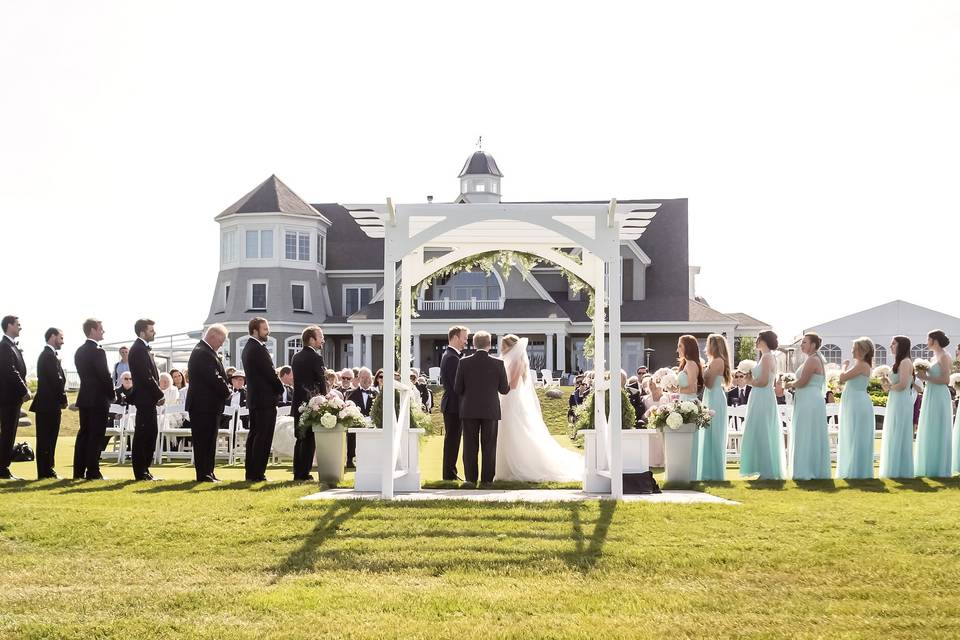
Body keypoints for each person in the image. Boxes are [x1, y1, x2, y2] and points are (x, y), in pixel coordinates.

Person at [493, 334, 581, 482]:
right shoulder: (514, 360)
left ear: (510, 347)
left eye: (503, 346)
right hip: (509, 400)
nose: (501, 349)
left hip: (511, 400)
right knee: (508, 433)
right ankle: (505, 468)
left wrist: (497, 385)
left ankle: (517, 466)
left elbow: (512, 385)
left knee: (513, 432)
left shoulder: (517, 362)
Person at [454, 330, 510, 486]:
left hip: (469, 410)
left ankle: (470, 480)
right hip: (490, 410)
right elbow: (504, 389)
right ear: (490, 345)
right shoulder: (498, 364)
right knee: (489, 446)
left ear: (473, 344)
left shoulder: (463, 362)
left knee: (470, 446)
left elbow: (457, 388)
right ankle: (486, 481)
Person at [185, 324, 231, 482]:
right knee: (203, 440)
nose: (222, 344)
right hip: (203, 405)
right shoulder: (203, 352)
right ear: (212, 336)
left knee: (210, 440)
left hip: (208, 405)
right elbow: (214, 377)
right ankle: (204, 473)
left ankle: (208, 472)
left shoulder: (205, 351)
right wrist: (227, 392)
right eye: (221, 340)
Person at [241, 317, 284, 482]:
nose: (268, 332)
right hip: (264, 399)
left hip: (256, 399)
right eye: (265, 329)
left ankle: (251, 472)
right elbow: (270, 372)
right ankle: (258, 473)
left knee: (255, 435)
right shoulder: (257, 348)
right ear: (255, 330)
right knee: (263, 437)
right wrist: (280, 388)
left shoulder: (249, 347)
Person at [740, 330, 785, 480]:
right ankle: (762, 468)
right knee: (759, 430)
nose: (756, 342)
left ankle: (767, 470)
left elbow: (764, 382)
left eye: (758, 339)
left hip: (762, 396)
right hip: (760, 396)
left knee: (762, 430)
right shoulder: (766, 357)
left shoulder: (767, 358)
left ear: (763, 340)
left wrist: (749, 381)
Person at [73, 318, 114, 480]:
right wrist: (112, 395)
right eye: (101, 329)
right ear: (92, 330)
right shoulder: (98, 351)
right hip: (98, 400)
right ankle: (93, 471)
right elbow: (105, 375)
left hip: (84, 398)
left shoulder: (79, 351)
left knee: (84, 434)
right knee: (96, 435)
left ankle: (78, 470)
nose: (103, 331)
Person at [789, 332, 831, 480]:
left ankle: (807, 470)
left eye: (804, 342)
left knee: (807, 433)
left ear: (813, 345)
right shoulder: (812, 359)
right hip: (809, 399)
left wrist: (790, 384)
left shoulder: (813, 360)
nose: (802, 345)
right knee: (808, 432)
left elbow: (803, 381)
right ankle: (810, 467)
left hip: (809, 400)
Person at [29, 327, 68, 479]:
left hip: (47, 404)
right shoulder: (48, 356)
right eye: (61, 338)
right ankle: (46, 471)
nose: (63, 342)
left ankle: (46, 470)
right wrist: (63, 398)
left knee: (47, 439)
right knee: (47, 439)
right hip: (49, 404)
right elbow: (56, 380)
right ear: (53, 337)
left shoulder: (48, 355)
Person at [129, 318, 163, 480]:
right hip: (144, 399)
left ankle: (145, 470)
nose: (154, 332)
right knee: (144, 434)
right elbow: (146, 376)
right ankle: (141, 471)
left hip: (147, 399)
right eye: (151, 330)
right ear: (142, 332)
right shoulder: (138, 349)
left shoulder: (142, 348)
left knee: (150, 433)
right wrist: (159, 394)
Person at [291, 325, 327, 481]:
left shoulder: (296, 357)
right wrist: (325, 399)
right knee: (309, 439)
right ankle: (304, 473)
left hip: (298, 402)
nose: (323, 340)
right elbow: (321, 381)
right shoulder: (316, 357)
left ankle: (297, 472)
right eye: (321, 337)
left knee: (300, 437)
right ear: (312, 339)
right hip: (312, 403)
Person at [915, 330, 953, 477]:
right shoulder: (933, 357)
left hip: (939, 395)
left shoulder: (945, 356)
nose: (926, 341)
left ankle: (939, 467)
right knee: (929, 427)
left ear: (934, 340)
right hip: (930, 394)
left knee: (938, 428)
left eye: (928, 338)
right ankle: (928, 465)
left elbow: (945, 380)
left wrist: (926, 378)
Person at [879, 336, 915, 478]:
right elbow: (895, 385)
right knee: (893, 430)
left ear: (902, 346)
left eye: (893, 343)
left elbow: (903, 385)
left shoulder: (906, 362)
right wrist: (886, 384)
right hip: (894, 400)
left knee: (899, 430)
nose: (891, 346)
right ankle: (893, 467)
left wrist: (890, 387)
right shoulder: (899, 362)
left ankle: (900, 469)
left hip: (901, 401)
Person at [697, 334, 731, 481]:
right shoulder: (714, 361)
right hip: (710, 397)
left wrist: (702, 372)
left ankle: (714, 473)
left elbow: (709, 384)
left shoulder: (717, 361)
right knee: (708, 435)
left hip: (715, 398)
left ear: (714, 346)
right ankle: (707, 471)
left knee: (714, 434)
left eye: (708, 344)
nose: (705, 348)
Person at [0, 315, 30, 480]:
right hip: (8, 398)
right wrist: (24, 390)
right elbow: (11, 371)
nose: (20, 327)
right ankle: (2, 469)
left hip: (12, 398)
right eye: (18, 324)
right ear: (9, 326)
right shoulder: (5, 346)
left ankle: (3, 467)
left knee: (9, 433)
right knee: (7, 433)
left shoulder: (11, 346)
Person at [440, 325, 469, 481]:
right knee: (452, 441)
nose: (466, 341)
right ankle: (449, 474)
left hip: (452, 405)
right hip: (453, 406)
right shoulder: (452, 358)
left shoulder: (451, 355)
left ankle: (450, 473)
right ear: (456, 337)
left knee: (453, 440)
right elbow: (456, 385)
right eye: (464, 338)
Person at [677, 335, 704, 477]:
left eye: (680, 346)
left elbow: (693, 387)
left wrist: (679, 390)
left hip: (689, 402)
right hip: (683, 400)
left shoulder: (692, 364)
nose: (677, 349)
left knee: (690, 439)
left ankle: (691, 473)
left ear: (688, 347)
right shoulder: (685, 364)